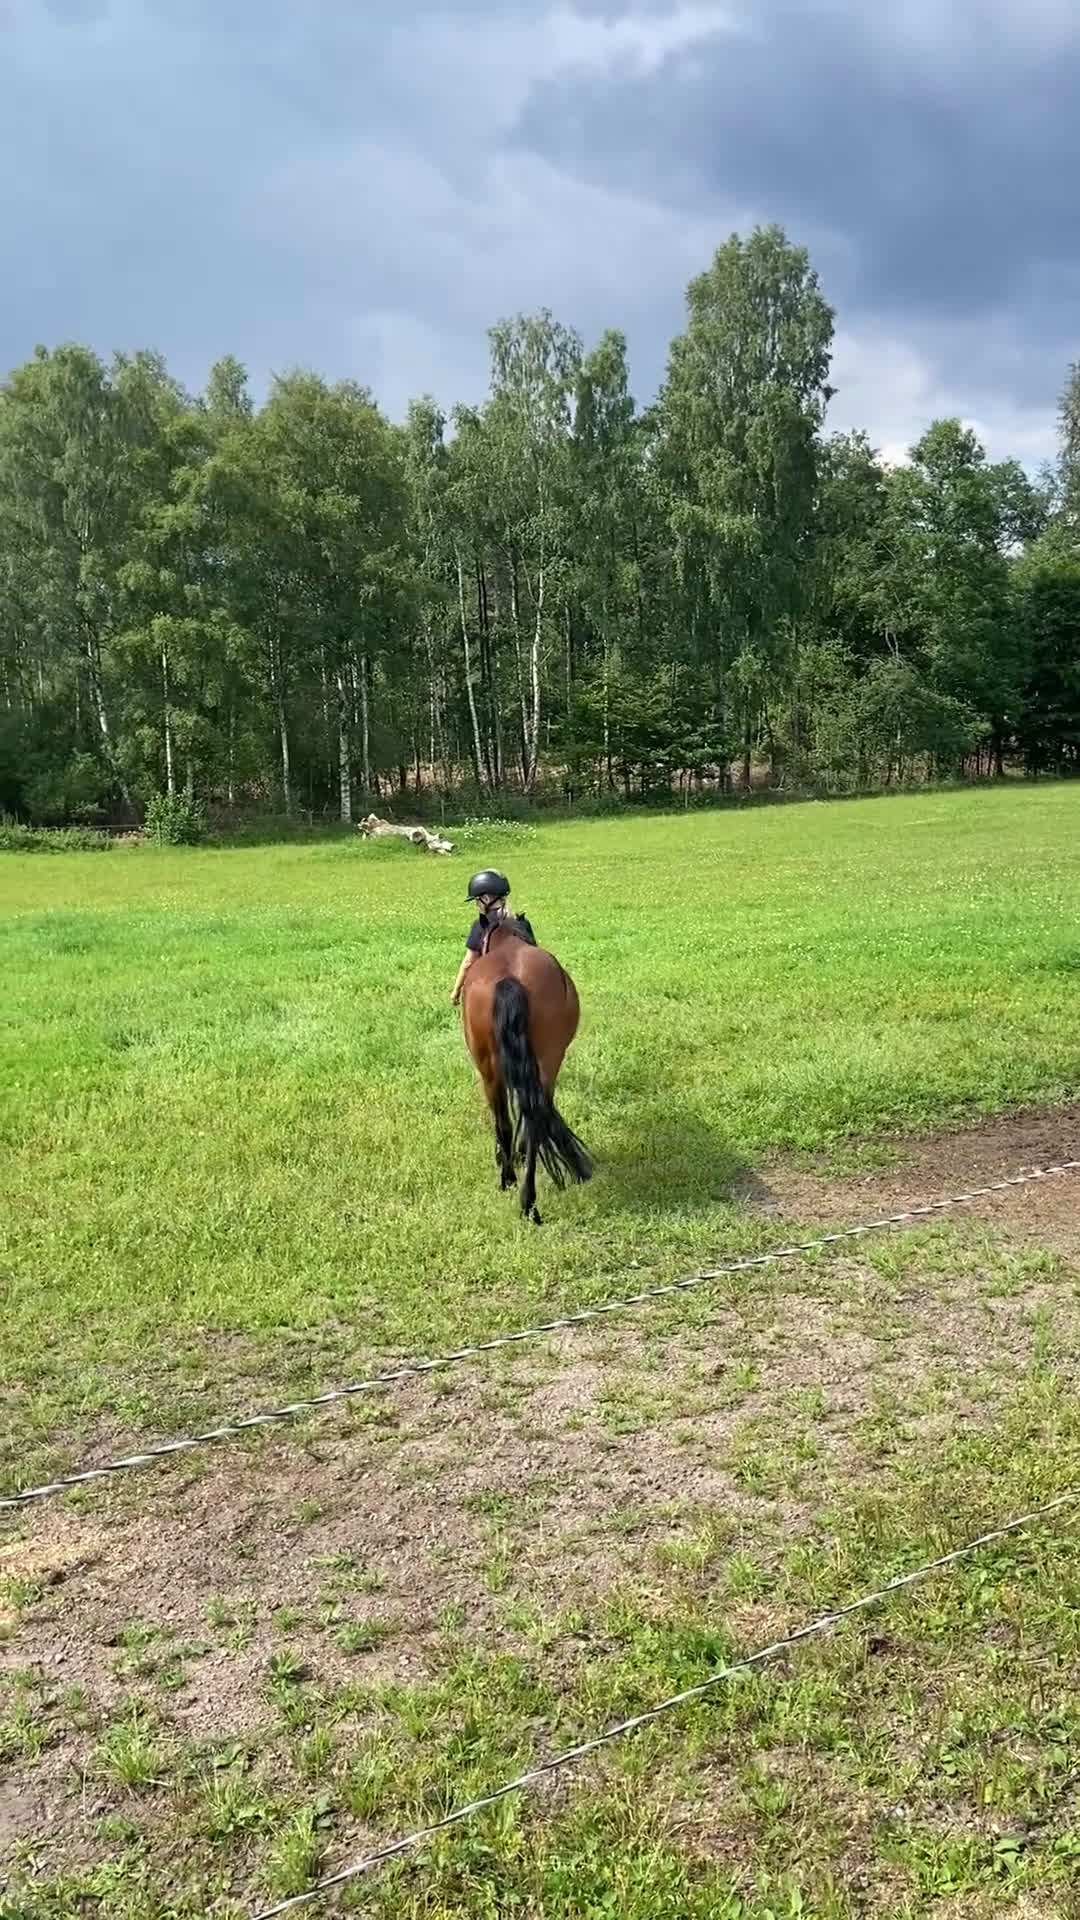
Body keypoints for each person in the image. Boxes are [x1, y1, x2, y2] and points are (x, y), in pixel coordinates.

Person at [451, 869, 535, 1005]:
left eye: (477, 900)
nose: (476, 905)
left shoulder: (480, 925)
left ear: (486, 899)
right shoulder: (523, 923)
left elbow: (468, 963)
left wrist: (456, 991)